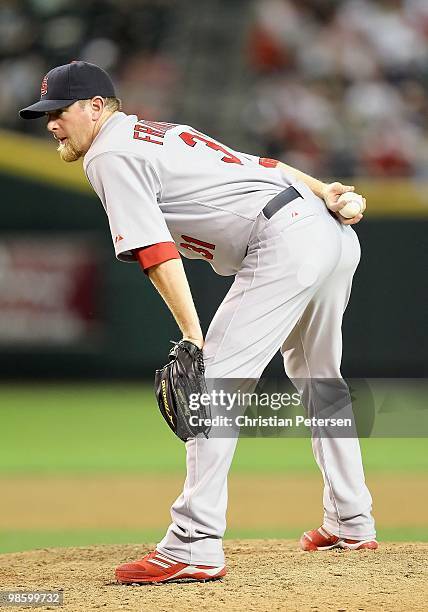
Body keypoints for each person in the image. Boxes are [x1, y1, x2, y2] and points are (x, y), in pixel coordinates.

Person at [20, 61, 377, 585]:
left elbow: (156, 251)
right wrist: (324, 189)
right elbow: (267, 165)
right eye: (45, 113)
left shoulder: (109, 153)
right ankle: (352, 519)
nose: (52, 123)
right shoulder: (157, 133)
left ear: (96, 107)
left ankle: (194, 543)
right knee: (321, 380)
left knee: (212, 387)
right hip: (324, 230)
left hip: (286, 239)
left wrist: (193, 336)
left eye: (60, 111)